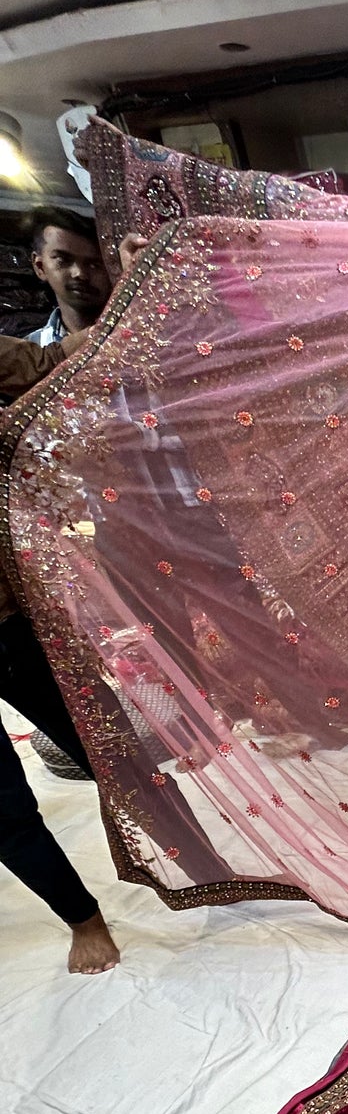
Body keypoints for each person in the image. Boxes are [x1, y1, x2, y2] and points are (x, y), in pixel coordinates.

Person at [0, 326, 122, 973]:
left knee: (110, 748)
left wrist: (130, 285)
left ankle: (202, 861)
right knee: (3, 810)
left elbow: (47, 365)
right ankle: (83, 918)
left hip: (10, 625)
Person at [26, 207, 113, 343]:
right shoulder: (30, 354)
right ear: (40, 267)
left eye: (95, 264)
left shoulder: (141, 340)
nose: (80, 274)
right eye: (64, 260)